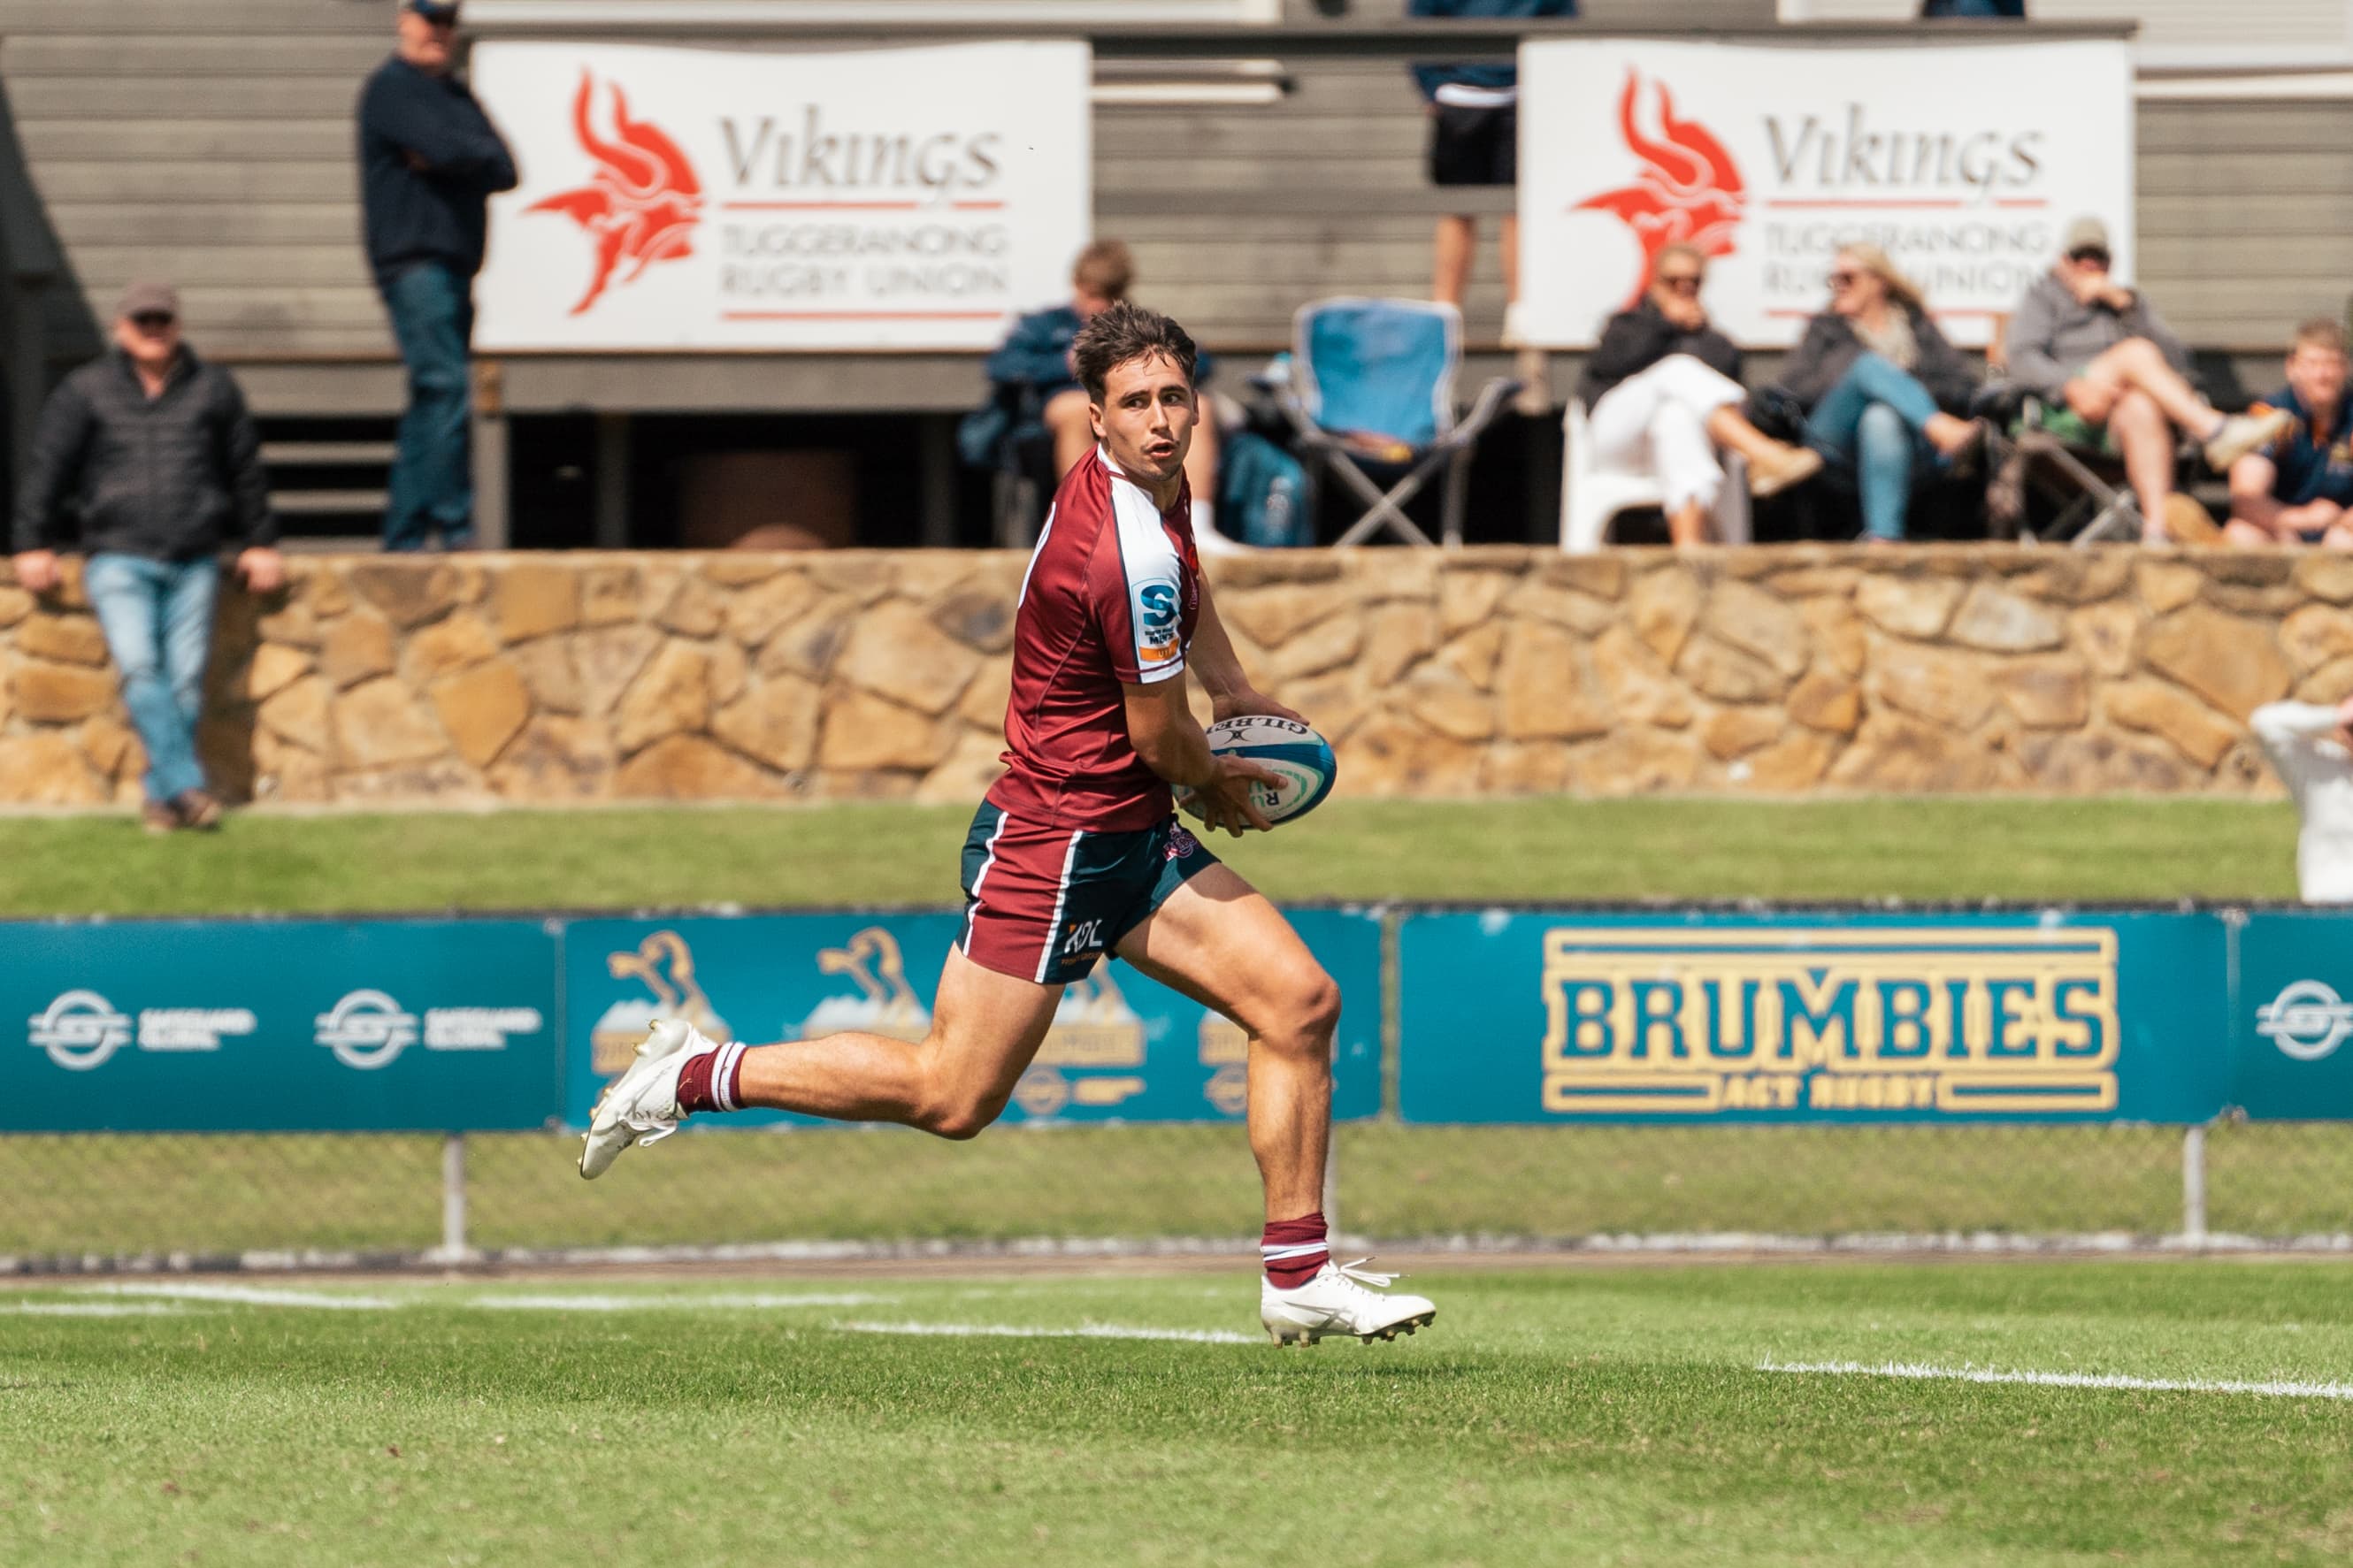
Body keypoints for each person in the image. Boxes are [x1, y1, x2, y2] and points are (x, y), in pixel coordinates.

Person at [581, 302, 1436, 1348]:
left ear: (1196, 405)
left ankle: (1297, 1276)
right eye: (1135, 403)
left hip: (1125, 829)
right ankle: (689, 1074)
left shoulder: (1151, 496)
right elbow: (1162, 739)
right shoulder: (1126, 549)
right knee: (951, 1094)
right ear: (1096, 418)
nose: (1159, 420)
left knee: (1298, 1005)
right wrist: (1221, 778)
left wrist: (1240, 696)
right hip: (1059, 841)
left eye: (1173, 397)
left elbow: (1191, 614)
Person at [9, 281, 282, 835]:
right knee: (139, 668)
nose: (153, 329)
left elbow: (245, 471)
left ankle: (163, 800)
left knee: (183, 681)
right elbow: (47, 471)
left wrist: (260, 541)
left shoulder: (214, 388)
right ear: (121, 330)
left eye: (162, 320)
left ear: (178, 327)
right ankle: (185, 783)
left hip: (194, 558)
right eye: (142, 321)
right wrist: (31, 542)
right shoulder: (85, 390)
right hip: (116, 559)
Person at [2005, 216, 2290, 544]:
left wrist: (2125, 306)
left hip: (2118, 420)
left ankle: (2155, 533)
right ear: (2063, 262)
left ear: (2110, 263)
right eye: (2080, 257)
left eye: (2098, 258)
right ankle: (2215, 430)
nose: (2089, 265)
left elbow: (2179, 364)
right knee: (2136, 352)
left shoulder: (2127, 305)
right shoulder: (2042, 298)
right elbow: (2022, 360)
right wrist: (2072, 386)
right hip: (2066, 412)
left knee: (2141, 404)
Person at [356, 0, 516, 552]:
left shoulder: (455, 94)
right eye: (430, 18)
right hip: (414, 262)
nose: (440, 32)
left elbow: (506, 166)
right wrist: (459, 155)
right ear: (404, 18)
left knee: (433, 396)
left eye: (448, 22)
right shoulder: (391, 89)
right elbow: (465, 151)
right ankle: (453, 523)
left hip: (456, 265)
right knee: (446, 385)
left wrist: (447, 157)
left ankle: (402, 536)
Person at [1576, 242, 1822, 545]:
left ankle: (1689, 554)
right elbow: (1611, 362)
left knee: (1676, 418)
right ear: (1654, 282)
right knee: (1677, 369)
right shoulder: (1625, 325)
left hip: (1671, 445)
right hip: (1614, 440)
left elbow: (1727, 384)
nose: (1683, 288)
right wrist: (1666, 325)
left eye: (1693, 281)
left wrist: (1695, 332)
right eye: (1673, 281)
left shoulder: (1714, 341)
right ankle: (1763, 454)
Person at [979, 241, 1225, 542]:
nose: (1100, 305)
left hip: (1133, 412)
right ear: (1077, 284)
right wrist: (1064, 363)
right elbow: (1002, 366)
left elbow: (1198, 357)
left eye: (1111, 295)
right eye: (1092, 294)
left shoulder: (1137, 325)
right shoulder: (1044, 325)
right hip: (1055, 425)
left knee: (1193, 409)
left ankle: (1195, 525)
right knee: (1075, 407)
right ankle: (1092, 526)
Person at [1772, 244, 1982, 543]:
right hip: (1833, 443)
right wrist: (1857, 377)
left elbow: (1963, 384)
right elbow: (1794, 389)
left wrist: (1898, 387)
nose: (1838, 287)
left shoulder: (1916, 326)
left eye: (1848, 278)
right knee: (1868, 366)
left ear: (1879, 281)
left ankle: (1883, 541)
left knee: (1880, 417)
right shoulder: (1824, 328)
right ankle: (1939, 427)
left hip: (1908, 446)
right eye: (1834, 279)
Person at [1408, 0, 1576, 325]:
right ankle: (1445, 319)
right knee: (1456, 210)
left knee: (1519, 210)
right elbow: (1418, 23)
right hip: (1459, 100)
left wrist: (1550, 84)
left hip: (1523, 97)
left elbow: (1566, 21)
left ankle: (1522, 317)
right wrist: (1434, 89)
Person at [2227, 320, 2353, 549]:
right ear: (2292, 367)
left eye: (2332, 363)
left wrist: (2343, 519)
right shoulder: (2268, 415)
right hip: (2281, 530)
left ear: (2346, 368)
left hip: (2341, 532)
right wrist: (2300, 520)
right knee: (2240, 534)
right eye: (2313, 363)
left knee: (2343, 542)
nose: (2322, 374)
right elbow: (2246, 499)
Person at [2249, 699, 2353, 903]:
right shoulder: (2321, 768)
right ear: (2341, 732)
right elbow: (2265, 722)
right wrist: (2336, 716)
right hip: (2328, 907)